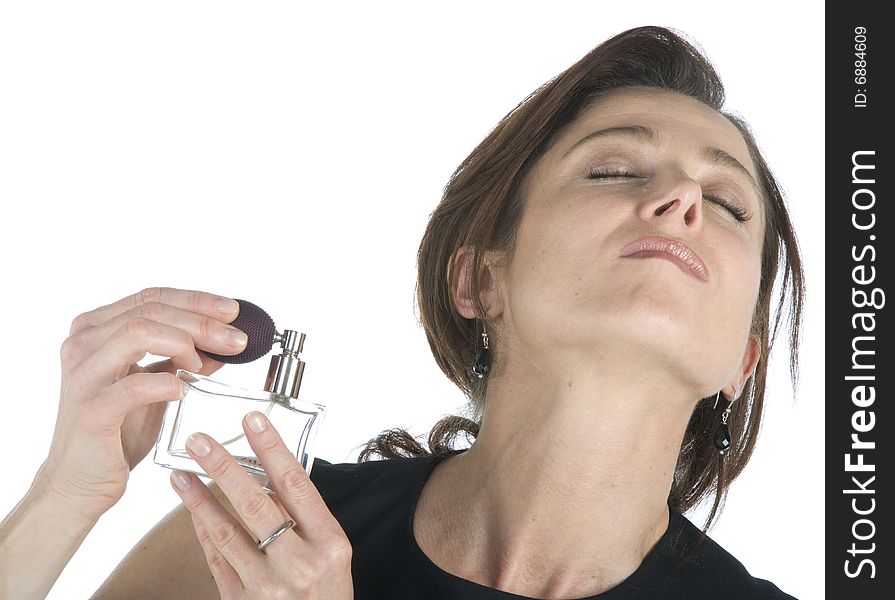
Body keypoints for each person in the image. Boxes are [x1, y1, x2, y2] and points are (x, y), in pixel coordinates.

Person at [0, 25, 803, 599]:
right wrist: (62, 497)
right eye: (614, 169)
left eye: (727, 203)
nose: (678, 201)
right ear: (478, 283)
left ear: (740, 360)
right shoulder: (262, 539)